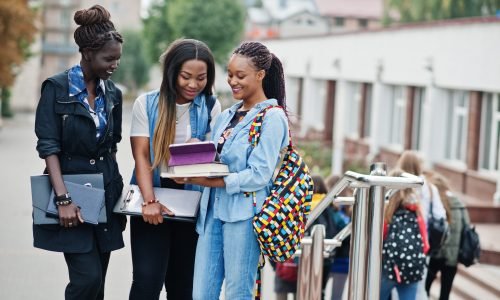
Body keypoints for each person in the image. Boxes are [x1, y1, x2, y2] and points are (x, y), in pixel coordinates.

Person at [173, 41, 289, 299]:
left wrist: (214, 181)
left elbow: (259, 174)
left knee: (237, 293)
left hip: (244, 216)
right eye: (230, 74)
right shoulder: (227, 115)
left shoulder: (272, 117)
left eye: (240, 75)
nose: (232, 81)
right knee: (201, 293)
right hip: (211, 212)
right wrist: (191, 161)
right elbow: (215, 158)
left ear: (260, 76)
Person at [34, 5, 125, 299]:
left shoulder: (113, 93)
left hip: (106, 192)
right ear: (87, 53)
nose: (115, 64)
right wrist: (62, 199)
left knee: (98, 282)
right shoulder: (56, 89)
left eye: (118, 59)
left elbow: (112, 144)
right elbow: (49, 147)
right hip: (71, 192)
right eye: (109, 58)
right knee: (86, 280)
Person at [128, 38, 220, 299]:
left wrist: (196, 152)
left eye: (201, 78)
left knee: (183, 286)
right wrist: (149, 201)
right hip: (151, 198)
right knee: (147, 281)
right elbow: (142, 157)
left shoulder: (212, 107)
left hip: (192, 203)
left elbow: (213, 158)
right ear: (172, 72)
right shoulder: (146, 104)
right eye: (186, 76)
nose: (193, 84)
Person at [273, 175, 336, 300]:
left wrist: (275, 264)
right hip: (317, 258)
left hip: (291, 259)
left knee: (283, 293)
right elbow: (332, 230)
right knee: (311, 292)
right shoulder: (327, 205)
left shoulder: (295, 203)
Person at [396, 150, 447, 300]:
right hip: (421, 241)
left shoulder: (396, 183)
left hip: (396, 240)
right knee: (418, 285)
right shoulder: (429, 188)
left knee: (394, 280)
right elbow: (440, 215)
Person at [380, 169, 430, 300]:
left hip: (388, 268)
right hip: (411, 269)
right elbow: (425, 246)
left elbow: (379, 239)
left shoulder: (386, 212)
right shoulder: (416, 212)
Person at [424, 172, 470, 300]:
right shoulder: (460, 205)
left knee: (425, 289)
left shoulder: (437, 205)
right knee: (445, 293)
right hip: (452, 258)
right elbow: (467, 229)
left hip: (435, 255)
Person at [325, 174, 352, 300]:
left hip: (328, 257)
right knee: (337, 296)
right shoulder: (350, 209)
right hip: (342, 259)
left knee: (319, 292)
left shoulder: (326, 208)